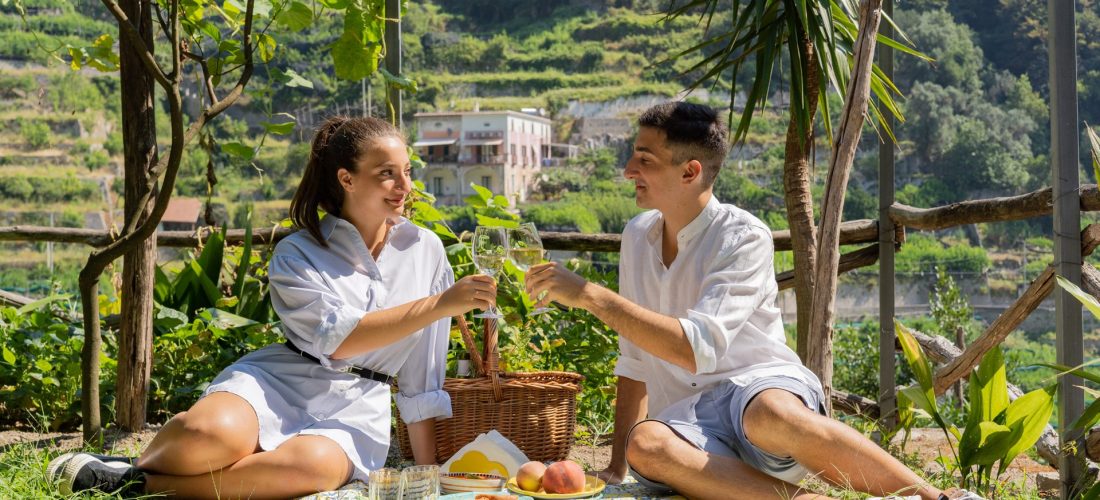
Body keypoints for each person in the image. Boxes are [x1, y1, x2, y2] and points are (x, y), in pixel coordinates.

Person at [524, 102, 972, 500]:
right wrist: (617, 468)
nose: (628, 170)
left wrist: (589, 296)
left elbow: (697, 349)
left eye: (644, 160)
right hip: (692, 427)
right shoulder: (636, 236)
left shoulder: (743, 236)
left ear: (690, 172)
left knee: (771, 413)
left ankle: (936, 498)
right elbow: (636, 362)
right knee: (646, 445)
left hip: (759, 389)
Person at [47, 116, 498, 498]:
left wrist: (431, 476)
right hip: (281, 379)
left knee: (312, 468)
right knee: (208, 435)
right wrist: (440, 303)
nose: (405, 187)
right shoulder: (297, 253)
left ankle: (134, 482)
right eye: (387, 174)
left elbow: (422, 371)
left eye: (407, 171)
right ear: (346, 178)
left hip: (360, 404)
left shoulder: (425, 249)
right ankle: (158, 461)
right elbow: (338, 341)